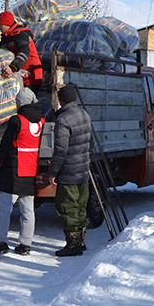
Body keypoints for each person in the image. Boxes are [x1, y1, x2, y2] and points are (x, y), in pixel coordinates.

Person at [0, 88, 44, 258]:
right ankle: (25, 244)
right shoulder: (41, 122)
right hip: (30, 169)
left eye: (17, 101)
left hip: (14, 170)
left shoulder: (17, 121)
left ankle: (0, 243)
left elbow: (5, 145)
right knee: (27, 211)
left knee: (3, 209)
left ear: (21, 103)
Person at [46, 84, 93, 257]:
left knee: (68, 207)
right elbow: (90, 142)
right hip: (83, 170)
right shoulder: (84, 114)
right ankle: (81, 241)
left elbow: (61, 149)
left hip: (68, 172)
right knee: (81, 206)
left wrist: (52, 172)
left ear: (60, 100)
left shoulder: (64, 119)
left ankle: (73, 245)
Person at [0, 11, 43, 95]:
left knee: (26, 103)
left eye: (0, 25)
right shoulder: (5, 38)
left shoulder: (20, 34)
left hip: (30, 76)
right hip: (19, 76)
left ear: (6, 24)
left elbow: (24, 52)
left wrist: (13, 67)